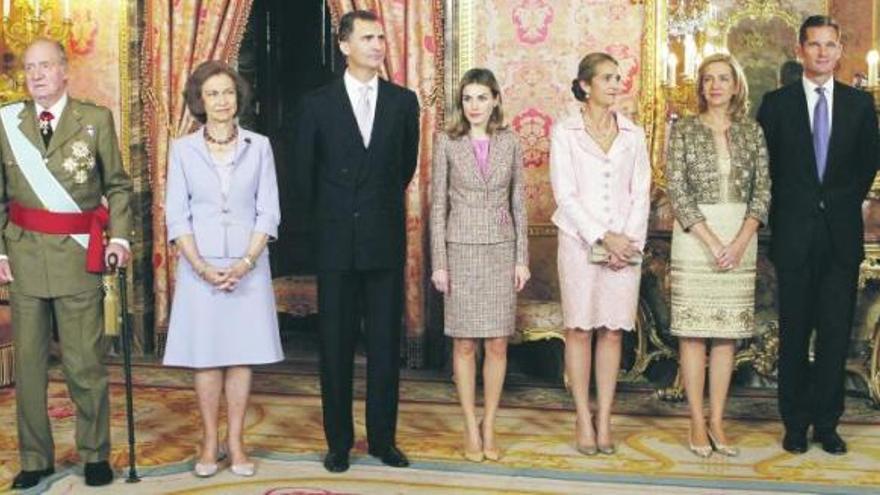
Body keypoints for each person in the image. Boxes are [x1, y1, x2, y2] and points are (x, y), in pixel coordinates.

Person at [0, 38, 132, 489]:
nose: (35, 75)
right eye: (29, 68)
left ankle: (95, 454)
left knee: (84, 365)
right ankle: (36, 459)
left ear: (64, 71)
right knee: (31, 369)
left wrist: (119, 238)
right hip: (23, 258)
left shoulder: (94, 119)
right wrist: (0, 252)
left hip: (79, 256)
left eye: (45, 66)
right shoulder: (6, 122)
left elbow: (117, 185)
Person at [294, 10, 420, 473]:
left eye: (382, 37)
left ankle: (383, 440)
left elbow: (402, 170)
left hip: (383, 241)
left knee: (386, 347)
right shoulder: (316, 104)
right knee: (335, 345)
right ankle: (339, 442)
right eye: (368, 37)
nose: (378, 44)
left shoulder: (403, 102)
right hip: (335, 243)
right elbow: (304, 177)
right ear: (344, 45)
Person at [757, 15, 879, 455]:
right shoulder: (775, 104)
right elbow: (764, 171)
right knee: (793, 334)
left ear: (840, 50)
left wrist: (838, 202)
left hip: (840, 237)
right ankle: (794, 422)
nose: (823, 52)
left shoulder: (860, 105)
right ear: (800, 50)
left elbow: (868, 164)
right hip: (793, 236)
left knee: (833, 335)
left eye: (830, 45)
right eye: (814, 45)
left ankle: (827, 423)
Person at [163, 61, 282, 477]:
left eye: (227, 93)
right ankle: (210, 441)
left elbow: (269, 211)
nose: (221, 101)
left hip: (248, 266)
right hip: (201, 268)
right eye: (211, 94)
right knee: (207, 357)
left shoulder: (259, 145)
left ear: (238, 98)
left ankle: (237, 441)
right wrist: (200, 266)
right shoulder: (182, 149)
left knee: (241, 355)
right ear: (199, 101)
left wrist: (246, 262)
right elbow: (176, 217)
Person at [666, 53, 771, 458]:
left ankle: (717, 420)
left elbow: (763, 192)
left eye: (723, 78)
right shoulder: (685, 131)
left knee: (726, 334)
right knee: (693, 332)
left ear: (735, 85)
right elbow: (678, 190)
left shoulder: (753, 131)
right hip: (696, 237)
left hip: (741, 237)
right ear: (701, 87)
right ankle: (695, 420)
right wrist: (711, 241)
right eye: (708, 79)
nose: (715, 86)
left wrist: (742, 239)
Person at [549, 52, 651, 456]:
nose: (615, 84)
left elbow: (640, 193)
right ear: (586, 85)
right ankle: (582, 416)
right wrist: (602, 237)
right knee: (579, 328)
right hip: (578, 242)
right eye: (607, 78)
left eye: (618, 77)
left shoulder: (633, 134)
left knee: (612, 331)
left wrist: (627, 242)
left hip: (626, 247)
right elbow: (565, 194)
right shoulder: (565, 132)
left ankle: (605, 416)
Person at [430, 68, 530, 463]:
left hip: (501, 249)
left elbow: (519, 202)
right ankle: (469, 423)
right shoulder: (446, 142)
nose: (474, 106)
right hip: (461, 249)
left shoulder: (511, 141)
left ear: (495, 101)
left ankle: (490, 422)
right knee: (465, 342)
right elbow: (438, 206)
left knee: (498, 343)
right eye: (467, 98)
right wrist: (440, 263)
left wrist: (521, 258)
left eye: (481, 98)